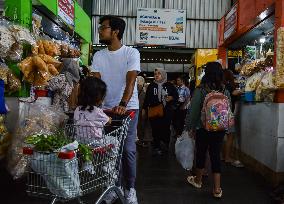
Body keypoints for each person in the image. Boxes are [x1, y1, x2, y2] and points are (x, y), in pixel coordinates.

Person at [91, 15, 140, 204]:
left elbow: (131, 79)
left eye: (103, 27)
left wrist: (123, 104)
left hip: (128, 109)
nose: (100, 30)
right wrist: (94, 106)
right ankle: (115, 186)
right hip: (106, 111)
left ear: (116, 31)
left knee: (127, 150)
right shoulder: (99, 55)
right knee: (110, 150)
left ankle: (130, 189)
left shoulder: (131, 53)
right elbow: (97, 83)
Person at [185, 62, 231, 198]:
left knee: (201, 153)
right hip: (220, 128)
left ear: (207, 73)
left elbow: (193, 111)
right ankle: (217, 189)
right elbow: (228, 111)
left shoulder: (201, 90)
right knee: (215, 155)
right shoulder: (225, 90)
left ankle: (198, 180)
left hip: (203, 127)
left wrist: (189, 127)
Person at [143, 68, 178, 155]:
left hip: (167, 112)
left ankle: (165, 145)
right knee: (155, 129)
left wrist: (172, 98)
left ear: (163, 74)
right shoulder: (151, 86)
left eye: (159, 73)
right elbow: (147, 99)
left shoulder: (170, 85)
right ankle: (156, 146)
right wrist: (144, 109)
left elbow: (176, 96)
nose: (157, 75)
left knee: (166, 129)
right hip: (154, 111)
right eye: (155, 73)